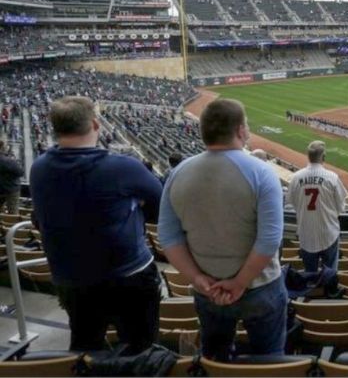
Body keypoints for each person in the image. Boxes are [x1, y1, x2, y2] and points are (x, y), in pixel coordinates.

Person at [29, 96, 163, 352]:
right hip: (129, 275)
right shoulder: (123, 167)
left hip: (71, 279)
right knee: (141, 350)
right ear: (95, 124)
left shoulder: (39, 168)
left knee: (85, 347)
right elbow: (159, 206)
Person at [159, 98, 286, 361]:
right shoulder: (262, 172)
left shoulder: (178, 172)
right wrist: (239, 283)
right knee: (270, 359)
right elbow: (269, 239)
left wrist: (196, 278)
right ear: (240, 130)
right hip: (260, 287)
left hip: (209, 288)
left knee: (214, 359)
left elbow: (169, 237)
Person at [287, 140, 348, 272]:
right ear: (324, 157)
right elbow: (341, 207)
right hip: (328, 233)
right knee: (330, 272)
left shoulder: (296, 178)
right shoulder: (332, 177)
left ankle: (312, 290)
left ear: (308, 156)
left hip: (306, 235)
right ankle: (330, 291)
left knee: (310, 273)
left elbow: (290, 203)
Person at [0, 139, 24, 215]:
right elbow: (20, 172)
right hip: (11, 190)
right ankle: (11, 224)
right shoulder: (8, 161)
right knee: (13, 213)